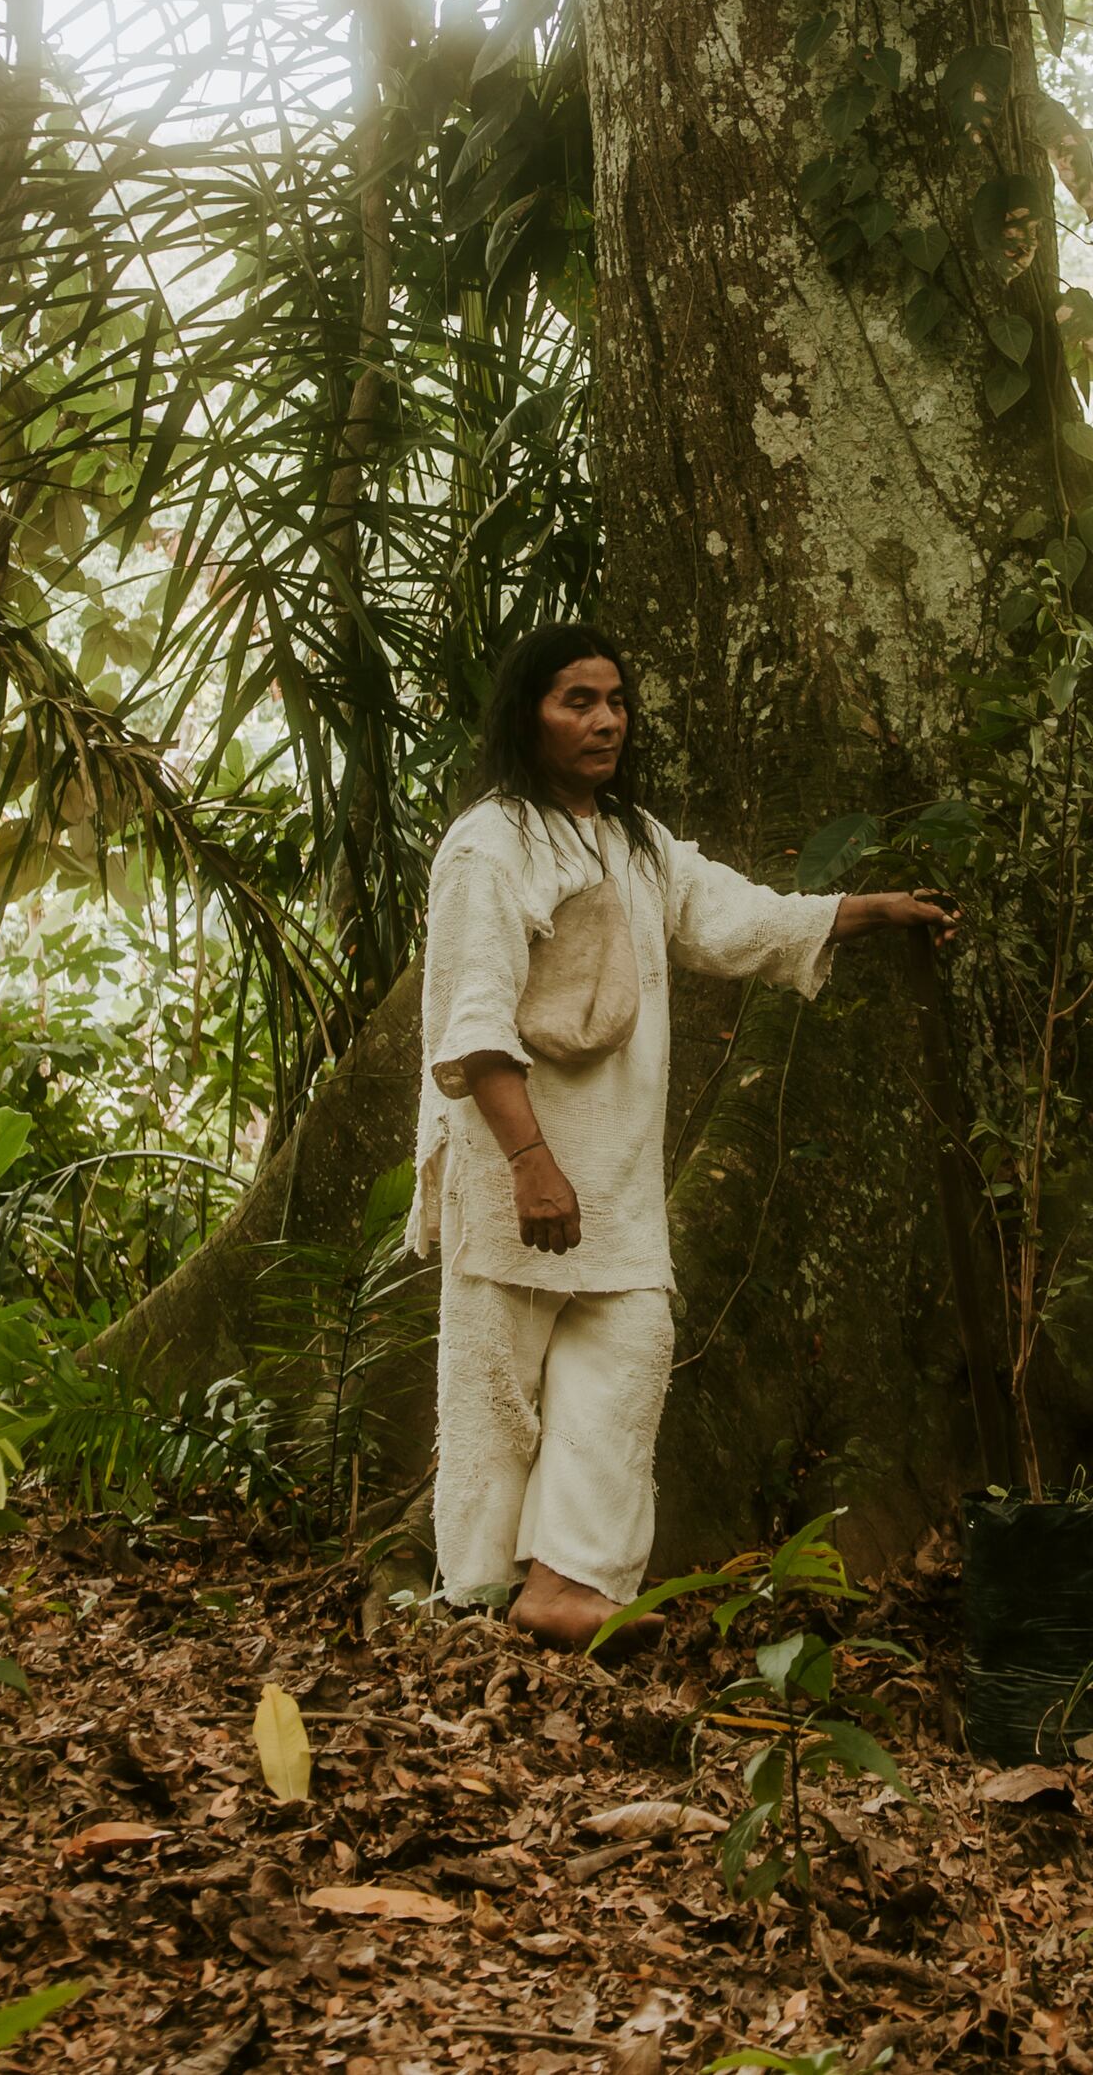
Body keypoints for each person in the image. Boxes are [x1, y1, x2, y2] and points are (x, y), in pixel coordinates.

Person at [421, 623, 957, 1647]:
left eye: (615, 700)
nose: (605, 721)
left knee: (626, 1360)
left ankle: (569, 1583)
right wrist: (531, 1164)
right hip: (513, 1172)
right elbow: (473, 1021)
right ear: (525, 713)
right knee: (492, 1394)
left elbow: (732, 917)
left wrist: (865, 910)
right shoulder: (487, 844)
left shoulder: (632, 840)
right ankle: (474, 1606)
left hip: (614, 1180)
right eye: (576, 701)